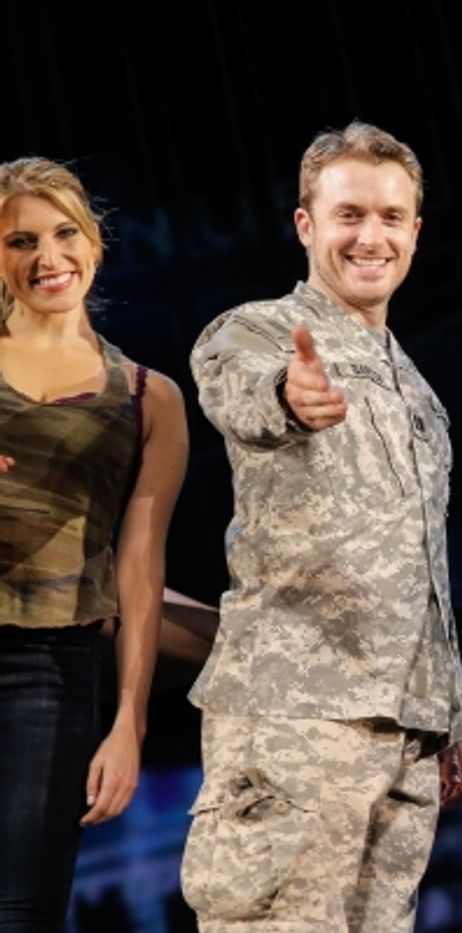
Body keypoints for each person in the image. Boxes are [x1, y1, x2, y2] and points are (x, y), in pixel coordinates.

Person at [181, 121, 462, 933]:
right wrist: (290, 394)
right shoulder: (255, 331)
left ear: (415, 231)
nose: (370, 236)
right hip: (293, 716)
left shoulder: (416, 386)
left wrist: (453, 714)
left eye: (390, 217)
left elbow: (430, 566)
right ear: (306, 224)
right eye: (349, 215)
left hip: (408, 729)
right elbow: (241, 392)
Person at [0, 157, 188, 931]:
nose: (47, 257)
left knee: (22, 911)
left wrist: (129, 721)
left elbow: (139, 567)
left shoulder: (149, 398)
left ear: (95, 243)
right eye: (20, 240)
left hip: (49, 670)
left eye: (63, 233)